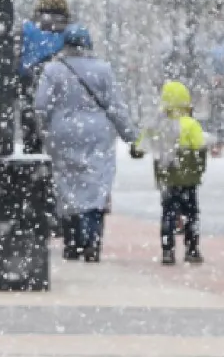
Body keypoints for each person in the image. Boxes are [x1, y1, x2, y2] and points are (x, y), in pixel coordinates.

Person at [34, 24, 137, 262]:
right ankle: (92, 240)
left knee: (67, 186)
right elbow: (116, 107)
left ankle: (72, 242)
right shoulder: (103, 70)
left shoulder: (53, 69)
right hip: (98, 134)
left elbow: (41, 105)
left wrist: (46, 131)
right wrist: (131, 136)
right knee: (97, 185)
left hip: (63, 133)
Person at [130, 81, 207, 265]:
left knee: (168, 213)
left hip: (167, 178)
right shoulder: (191, 124)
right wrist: (198, 167)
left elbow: (139, 148)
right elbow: (199, 147)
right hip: (188, 178)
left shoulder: (158, 126)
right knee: (191, 214)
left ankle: (167, 250)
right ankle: (192, 249)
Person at [18, 0, 75, 155]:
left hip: (30, 80)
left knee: (31, 125)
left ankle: (32, 162)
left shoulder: (27, 28)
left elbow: (17, 55)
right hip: (60, 81)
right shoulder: (70, 30)